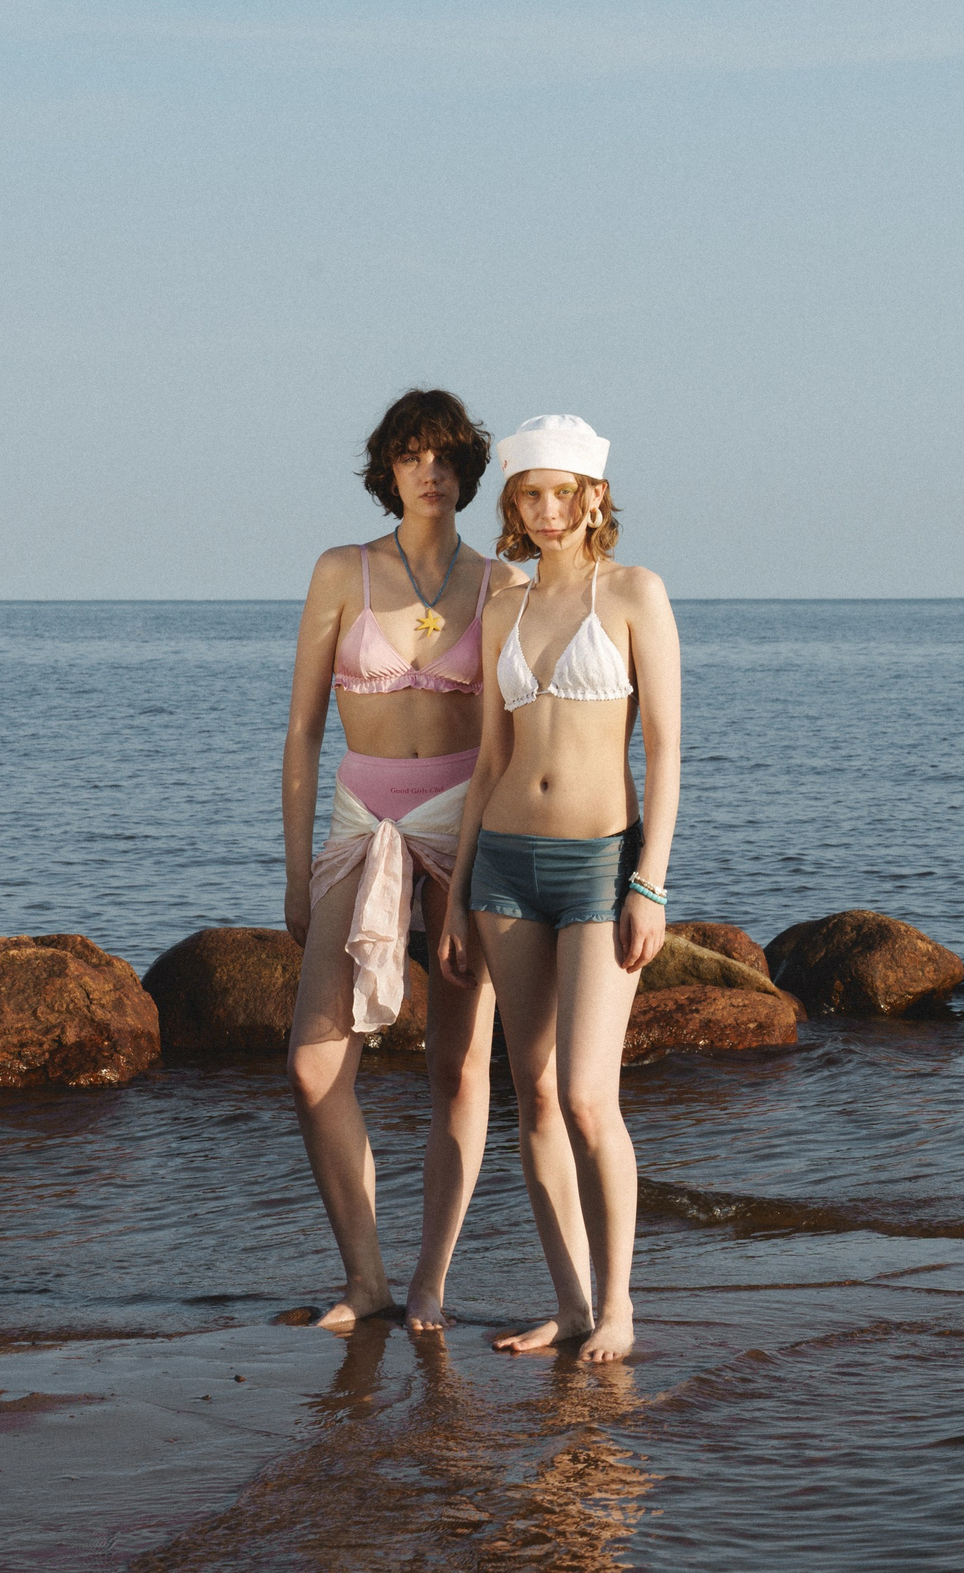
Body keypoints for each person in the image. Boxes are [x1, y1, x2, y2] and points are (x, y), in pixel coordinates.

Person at [439, 414, 680, 1363]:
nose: (544, 510)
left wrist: (649, 882)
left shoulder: (634, 592)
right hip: (502, 862)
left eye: (560, 493)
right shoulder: (502, 605)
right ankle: (573, 1306)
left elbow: (663, 748)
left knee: (588, 1096)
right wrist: (458, 892)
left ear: (592, 497)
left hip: (597, 865)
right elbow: (489, 755)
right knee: (532, 1094)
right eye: (527, 495)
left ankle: (620, 1305)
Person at [283, 388, 515, 1334]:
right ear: (389, 467)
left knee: (459, 1070)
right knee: (312, 1064)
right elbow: (300, 732)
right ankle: (364, 1276)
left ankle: (429, 1283)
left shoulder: (501, 584)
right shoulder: (343, 571)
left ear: (467, 471)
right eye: (414, 454)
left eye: (448, 455)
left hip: (467, 822)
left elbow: (510, 735)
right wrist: (299, 869)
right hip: (360, 822)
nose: (432, 470)